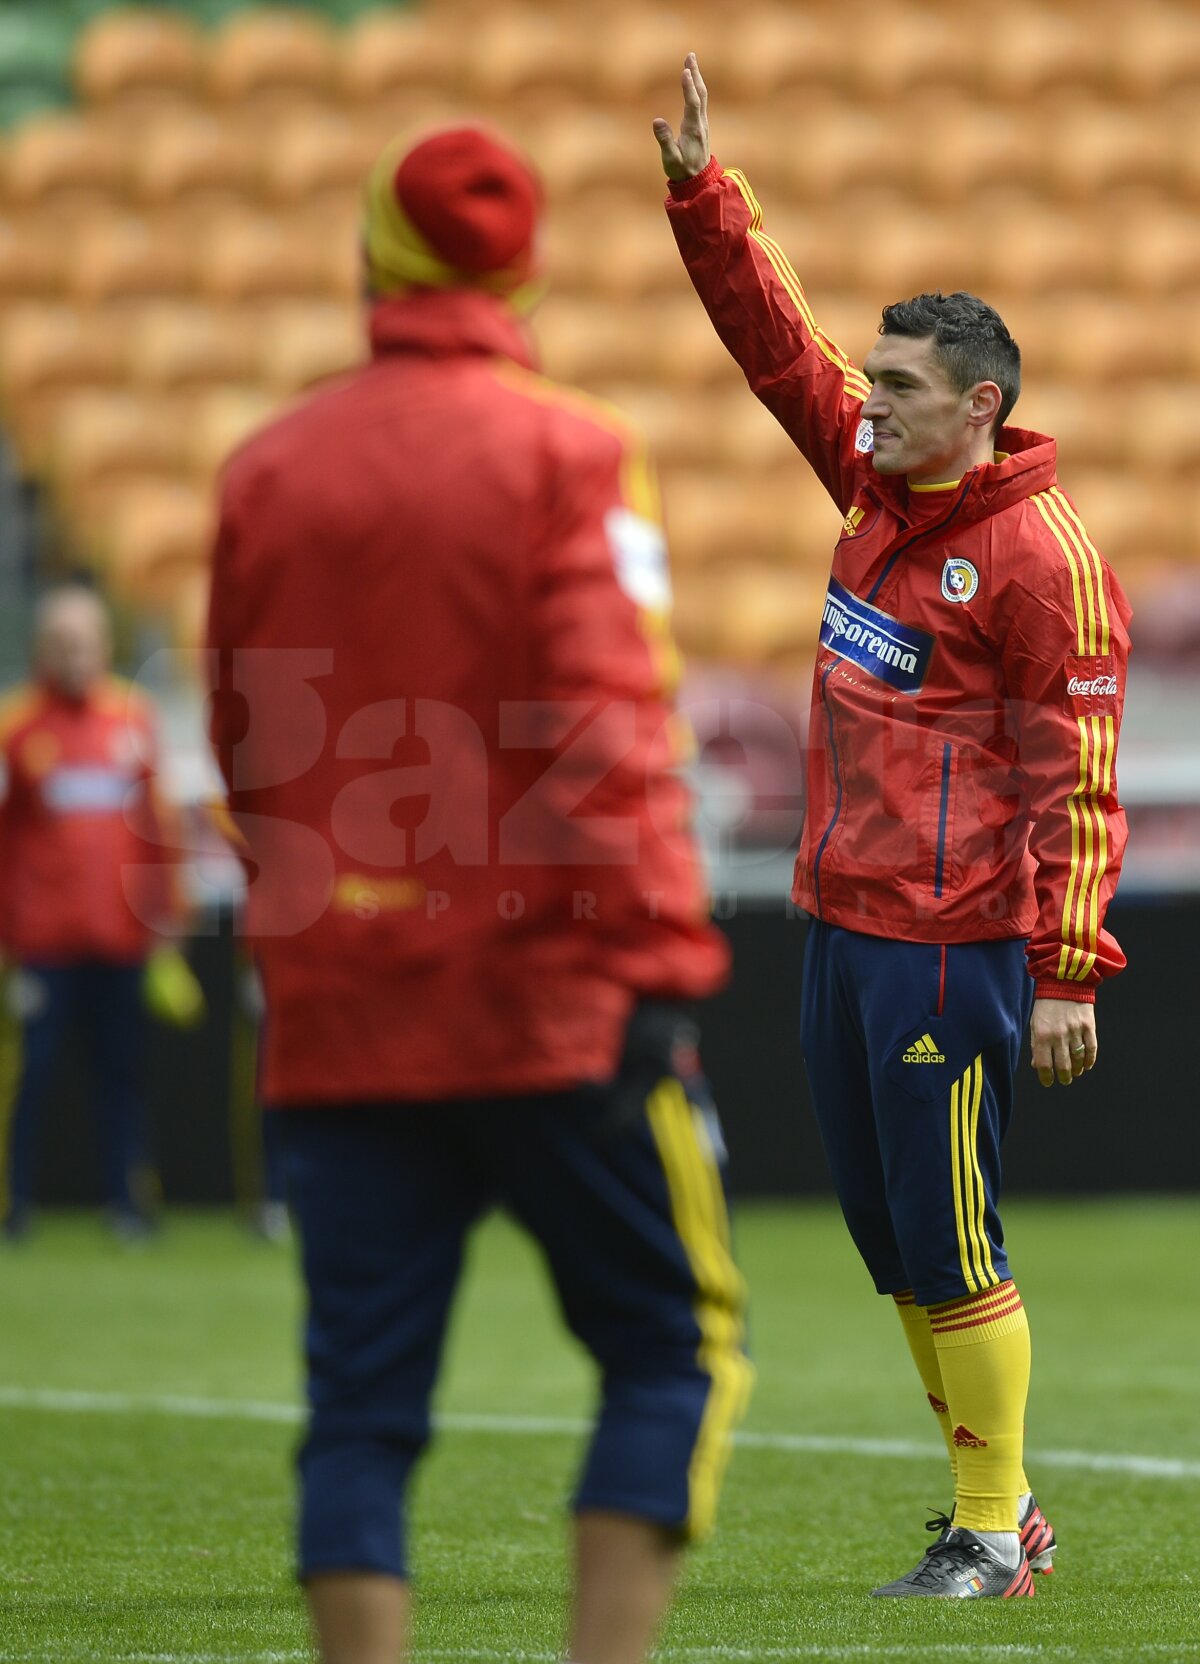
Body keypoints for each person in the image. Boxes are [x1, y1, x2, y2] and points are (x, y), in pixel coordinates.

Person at [207, 123, 751, 1664]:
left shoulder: (267, 464)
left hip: (341, 1017)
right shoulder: (564, 449)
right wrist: (660, 964)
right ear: (521, 267)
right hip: (546, 1014)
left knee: (360, 1412)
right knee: (670, 1350)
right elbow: (609, 727)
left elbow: (251, 748)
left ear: (374, 255)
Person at [654, 56, 1130, 1599]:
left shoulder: (1044, 562)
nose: (869, 399)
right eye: (876, 380)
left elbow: (1082, 771)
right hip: (841, 922)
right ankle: (990, 1511)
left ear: (980, 405)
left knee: (953, 1240)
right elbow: (779, 353)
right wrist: (705, 201)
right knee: (890, 1243)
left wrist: (1067, 970)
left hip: (955, 947)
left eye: (903, 385)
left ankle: (995, 1531)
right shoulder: (874, 492)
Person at [0, 583, 194, 1241]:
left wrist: (168, 917)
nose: (74, 653)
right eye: (62, 641)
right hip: (42, 940)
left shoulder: (134, 718)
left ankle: (130, 1204)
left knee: (125, 1076)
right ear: (42, 648)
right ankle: (12, 1203)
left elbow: (157, 825)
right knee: (30, 1074)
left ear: (105, 644)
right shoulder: (14, 724)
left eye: (84, 640)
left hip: (121, 936)